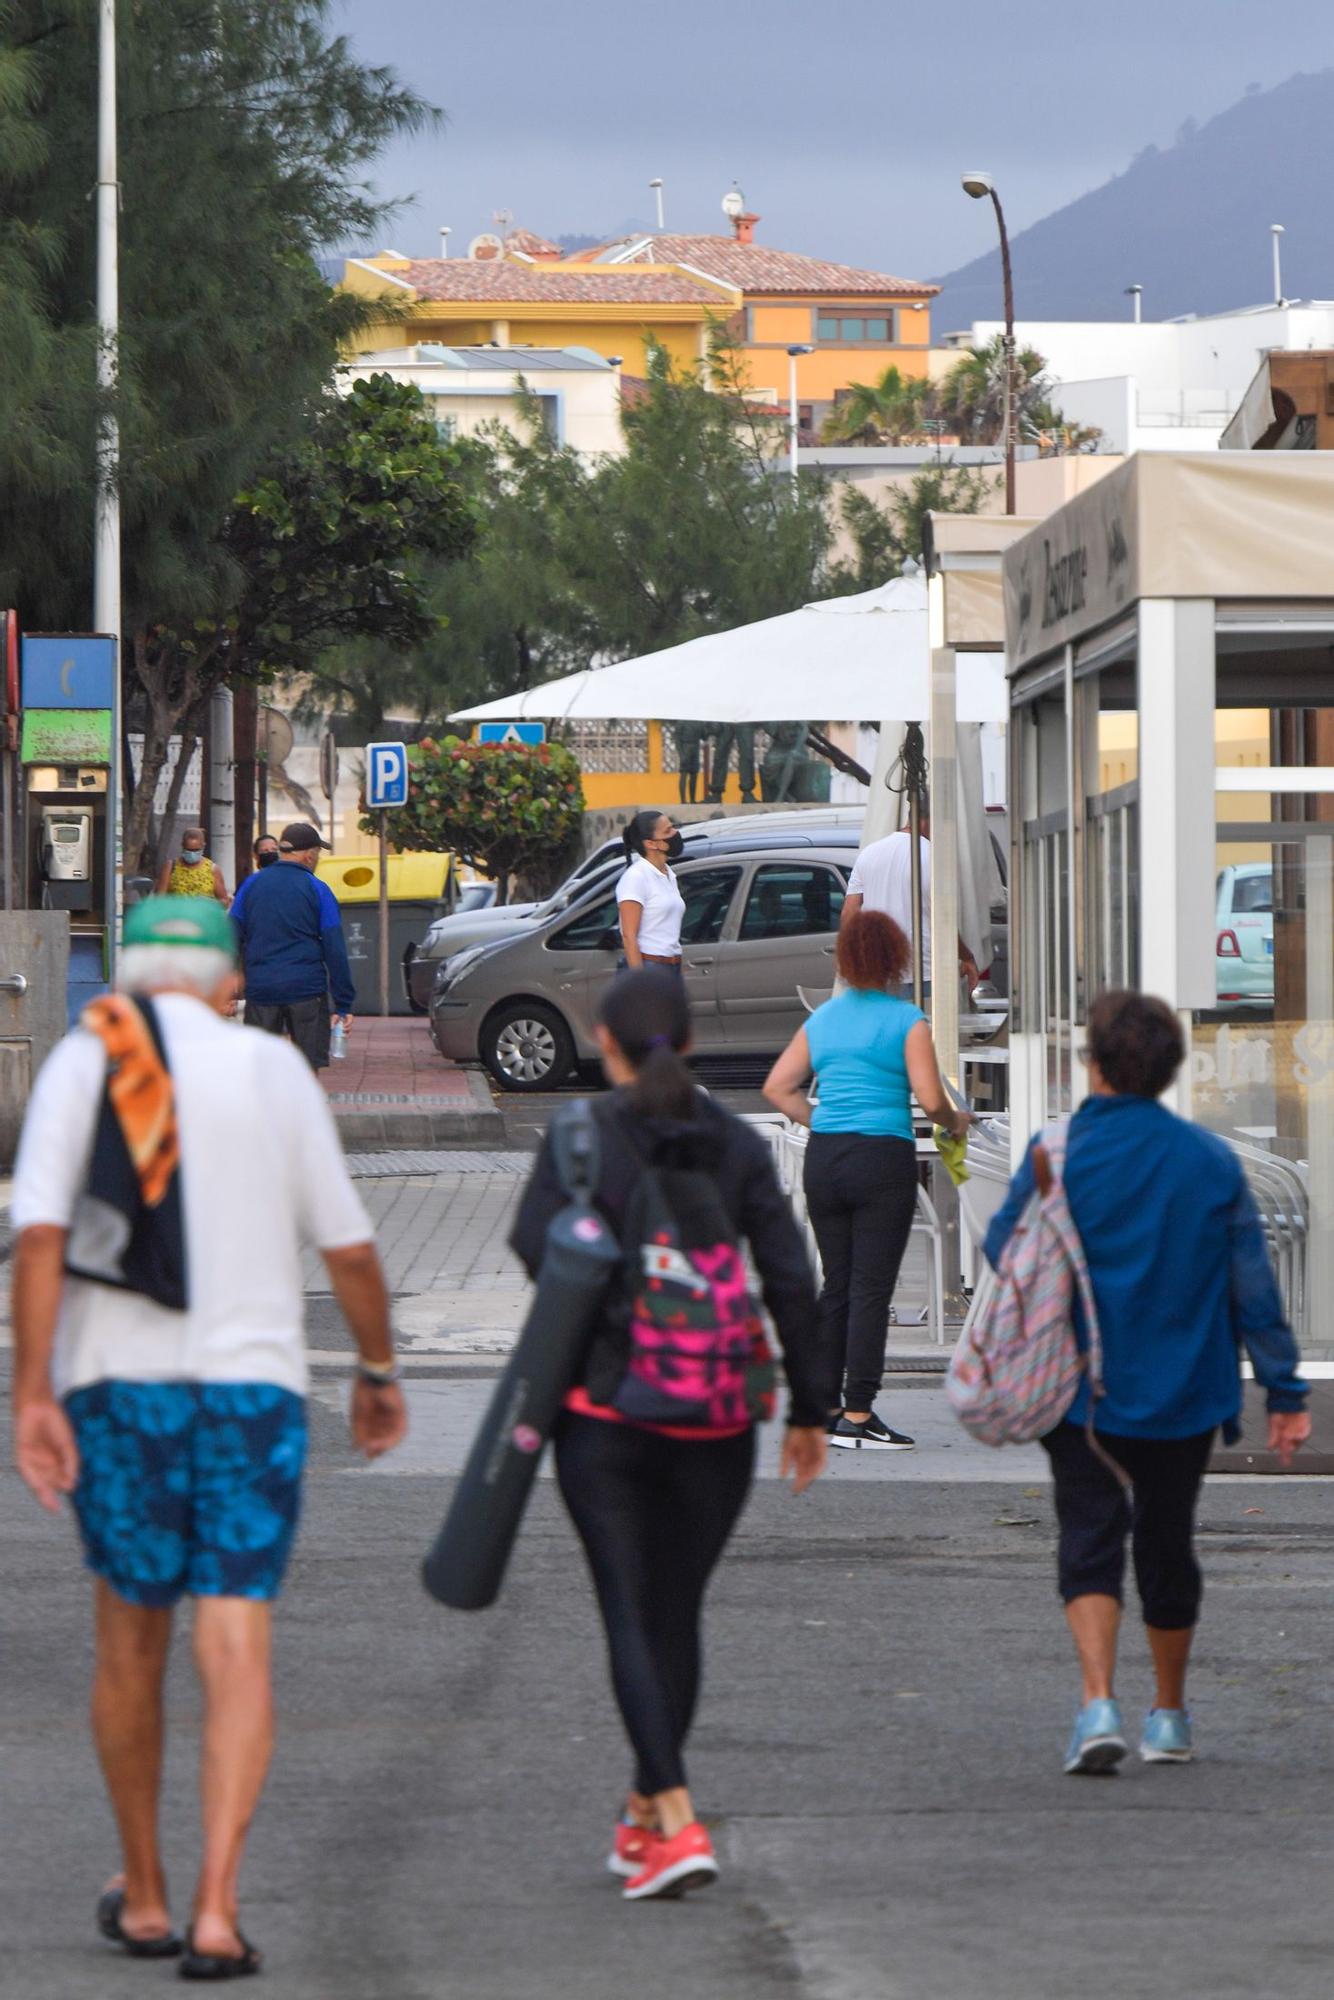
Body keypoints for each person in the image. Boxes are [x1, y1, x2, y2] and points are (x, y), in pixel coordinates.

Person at [9, 896, 407, 1975]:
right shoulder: (269, 1071)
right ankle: (218, 1907)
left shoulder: (86, 1061)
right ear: (228, 979)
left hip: (116, 1391)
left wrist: (30, 1391)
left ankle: (143, 1892)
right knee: (235, 1643)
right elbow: (352, 1248)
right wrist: (376, 1369)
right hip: (249, 1394)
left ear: (131, 977)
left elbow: (39, 1231)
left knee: (130, 1640)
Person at [510, 969, 828, 1901]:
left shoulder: (578, 1137)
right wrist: (811, 1410)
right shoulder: (733, 1145)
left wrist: (609, 1303)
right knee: (675, 1610)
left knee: (627, 1607)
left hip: (602, 1414)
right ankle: (645, 1814)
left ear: (604, 1045)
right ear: (688, 1044)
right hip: (719, 1416)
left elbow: (536, 1248)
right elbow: (791, 1281)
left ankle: (677, 1814)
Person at [984, 989, 1311, 1775]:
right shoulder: (1208, 1160)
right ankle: (1167, 1713)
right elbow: (1251, 1287)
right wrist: (1286, 1394)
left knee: (1088, 1535)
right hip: (1185, 1390)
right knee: (1168, 1542)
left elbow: (1004, 1252)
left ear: (1093, 1064)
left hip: (1078, 1386)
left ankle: (1098, 1702)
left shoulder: (1053, 1154)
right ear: (1169, 1071)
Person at [764, 908, 970, 1451]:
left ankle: (828, 1406)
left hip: (826, 1159)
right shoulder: (907, 1021)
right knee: (872, 1290)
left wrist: (826, 1122)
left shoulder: (823, 1019)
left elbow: (779, 1089)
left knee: (837, 1285)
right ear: (894, 958)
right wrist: (957, 1120)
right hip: (882, 1160)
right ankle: (859, 1415)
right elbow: (931, 1100)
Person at [233, 821, 355, 1070]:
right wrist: (343, 1003)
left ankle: (265, 1109)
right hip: (306, 991)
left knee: (260, 1067)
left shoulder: (251, 886)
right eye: (318, 853)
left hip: (261, 989)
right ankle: (302, 1108)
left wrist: (228, 989)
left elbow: (231, 935)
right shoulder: (318, 890)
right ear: (310, 855)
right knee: (307, 1066)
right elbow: (334, 948)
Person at [840, 798, 978, 998]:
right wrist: (966, 956)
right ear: (926, 821)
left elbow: (848, 914)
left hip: (877, 970)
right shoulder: (935, 858)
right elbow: (943, 921)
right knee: (920, 1027)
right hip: (923, 972)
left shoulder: (869, 853)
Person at [617, 809, 686, 971]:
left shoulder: (668, 873)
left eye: (673, 827)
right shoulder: (636, 877)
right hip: (651, 965)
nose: (675, 833)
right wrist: (641, 981)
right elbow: (629, 936)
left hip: (672, 964)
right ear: (650, 844)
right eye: (668, 831)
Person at [154, 826, 230, 907]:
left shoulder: (212, 869)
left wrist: (210, 903)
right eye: (188, 850)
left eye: (196, 850)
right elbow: (159, 900)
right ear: (182, 846)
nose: (192, 854)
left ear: (203, 846)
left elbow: (224, 901)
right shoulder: (171, 867)